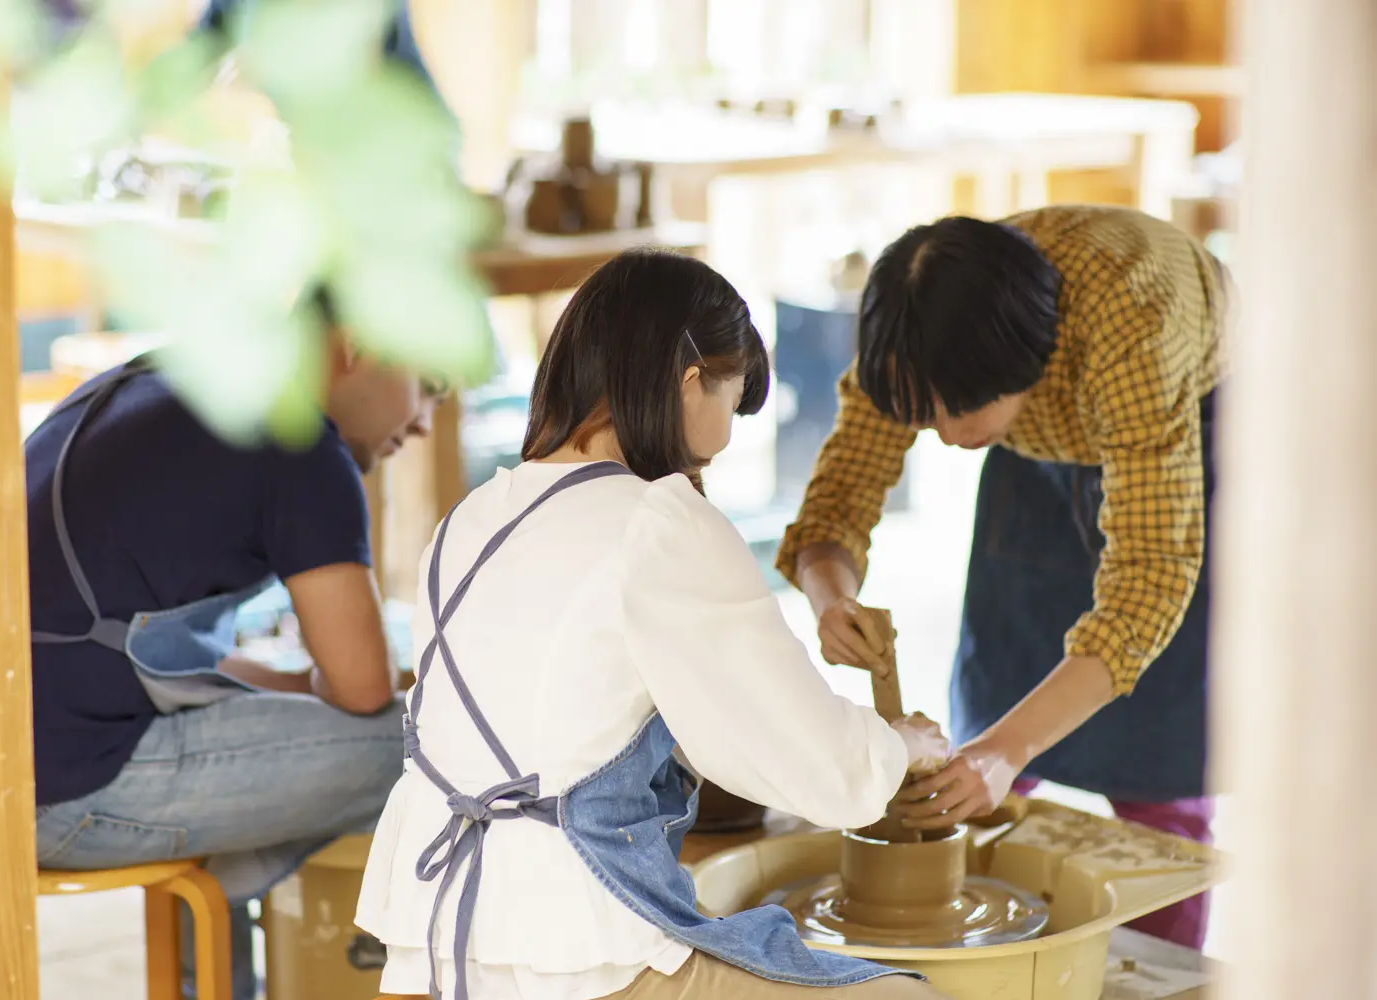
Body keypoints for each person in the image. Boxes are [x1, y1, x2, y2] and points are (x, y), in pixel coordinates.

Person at [355, 248, 953, 1000]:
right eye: (732, 404)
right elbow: (812, 760)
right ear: (690, 381)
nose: (724, 443)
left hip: (435, 942)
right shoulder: (657, 519)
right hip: (574, 953)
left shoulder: (467, 519)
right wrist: (901, 746)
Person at [778, 206, 1230, 950]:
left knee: (1159, 770)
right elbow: (839, 498)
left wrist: (1008, 749)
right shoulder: (928, 330)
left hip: (1190, 424)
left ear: (1029, 360)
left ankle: (1161, 969)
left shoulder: (1135, 326)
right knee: (985, 723)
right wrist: (833, 599)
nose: (952, 437)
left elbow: (1147, 584)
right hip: (1034, 436)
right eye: (927, 416)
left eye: (963, 410)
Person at [28, 288, 444, 1000]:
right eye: (428, 384)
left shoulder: (167, 377)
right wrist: (336, 680)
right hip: (69, 790)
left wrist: (306, 684)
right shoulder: (299, 440)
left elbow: (181, 656)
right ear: (356, 345)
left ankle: (220, 957)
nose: (425, 422)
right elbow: (365, 689)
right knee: (439, 753)